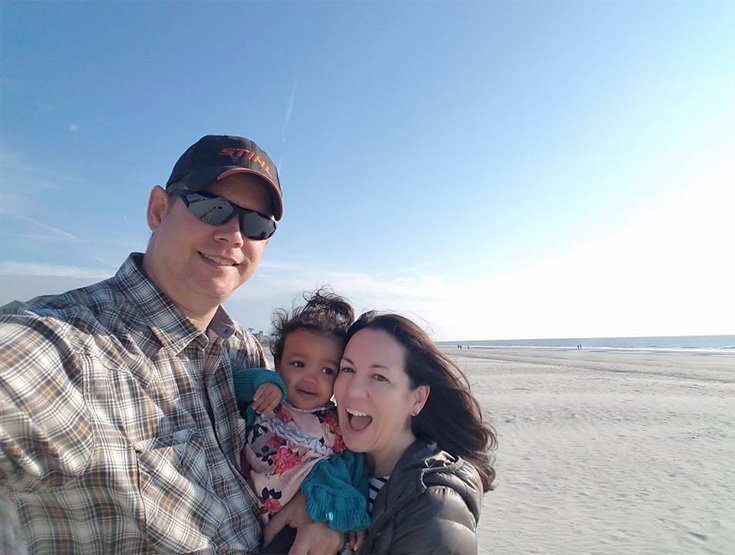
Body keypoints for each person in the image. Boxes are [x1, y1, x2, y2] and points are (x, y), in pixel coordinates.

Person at [0, 135, 287, 553]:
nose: (234, 235)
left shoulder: (247, 353)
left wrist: (320, 513)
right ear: (158, 210)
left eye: (257, 223)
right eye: (213, 207)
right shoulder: (67, 349)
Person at [267, 311, 497, 554]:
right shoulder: (334, 464)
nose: (354, 391)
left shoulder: (434, 511)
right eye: (347, 369)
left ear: (417, 398)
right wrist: (318, 499)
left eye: (379, 377)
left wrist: (341, 543)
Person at [231, 289, 370, 550]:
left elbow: (356, 472)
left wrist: (356, 520)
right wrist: (264, 381)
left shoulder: (336, 423)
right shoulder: (267, 403)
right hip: (245, 520)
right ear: (278, 364)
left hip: (301, 528)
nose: (311, 378)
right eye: (298, 364)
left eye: (327, 370)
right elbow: (231, 387)